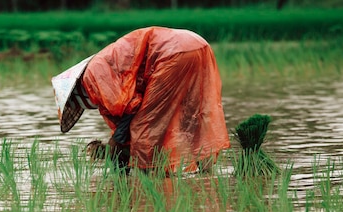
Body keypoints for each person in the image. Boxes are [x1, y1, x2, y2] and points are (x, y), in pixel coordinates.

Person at [51, 26, 230, 173]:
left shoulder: (92, 76)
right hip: (198, 44)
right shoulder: (104, 62)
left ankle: (160, 177)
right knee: (194, 114)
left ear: (78, 93)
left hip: (172, 53)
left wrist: (116, 143)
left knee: (147, 128)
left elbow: (130, 107)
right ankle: (208, 174)